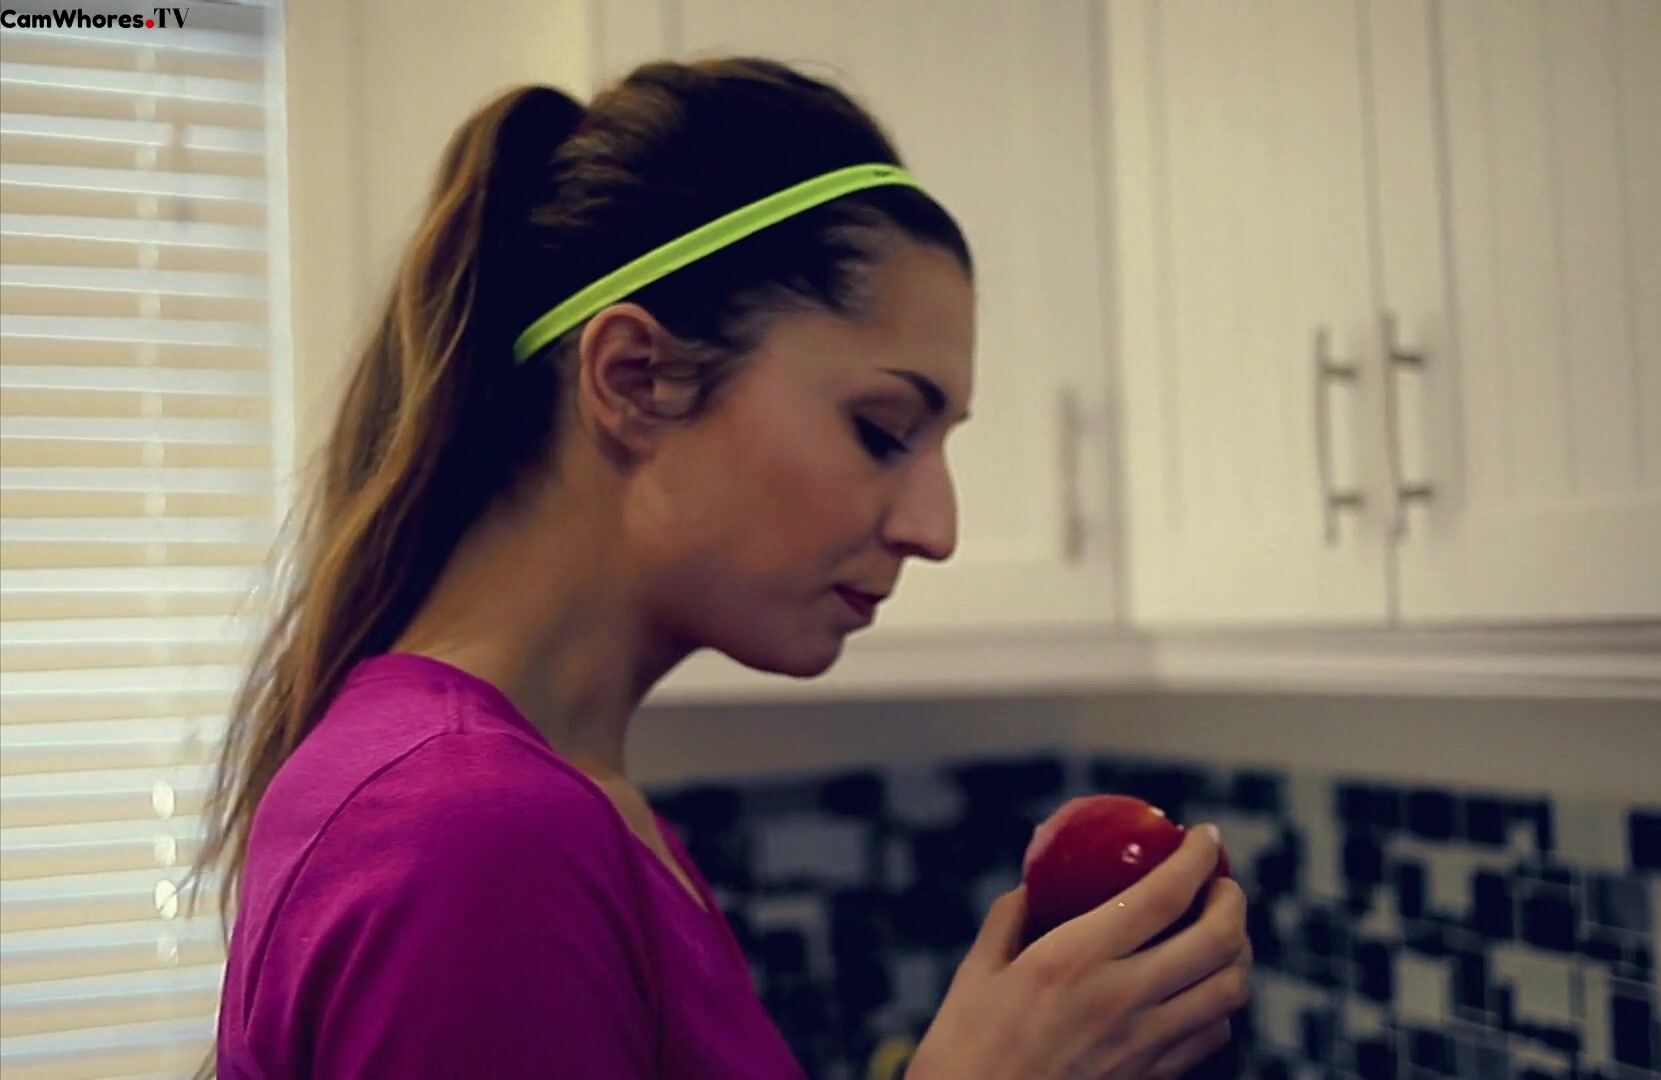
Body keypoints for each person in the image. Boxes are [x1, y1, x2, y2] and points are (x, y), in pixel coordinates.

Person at [190, 56, 1253, 1078]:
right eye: (884, 429)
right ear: (635, 378)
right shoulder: (473, 833)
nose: (938, 529)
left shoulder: (573, 803)